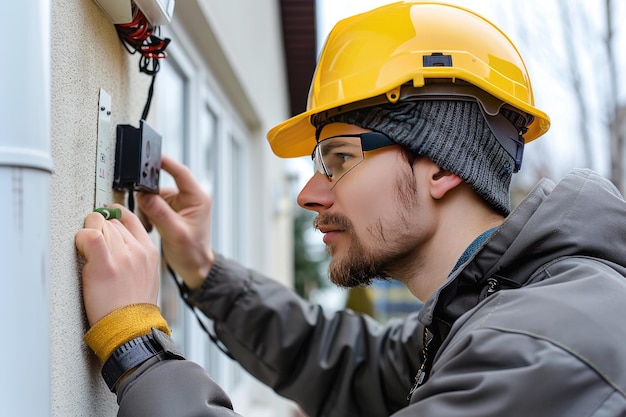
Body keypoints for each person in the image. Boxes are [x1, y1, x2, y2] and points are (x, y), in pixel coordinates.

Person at [75, 2, 626, 416]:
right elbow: (344, 362)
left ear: (442, 164)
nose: (308, 194)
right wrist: (202, 269)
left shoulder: (540, 349)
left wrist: (136, 346)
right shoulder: (488, 312)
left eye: (339, 157)